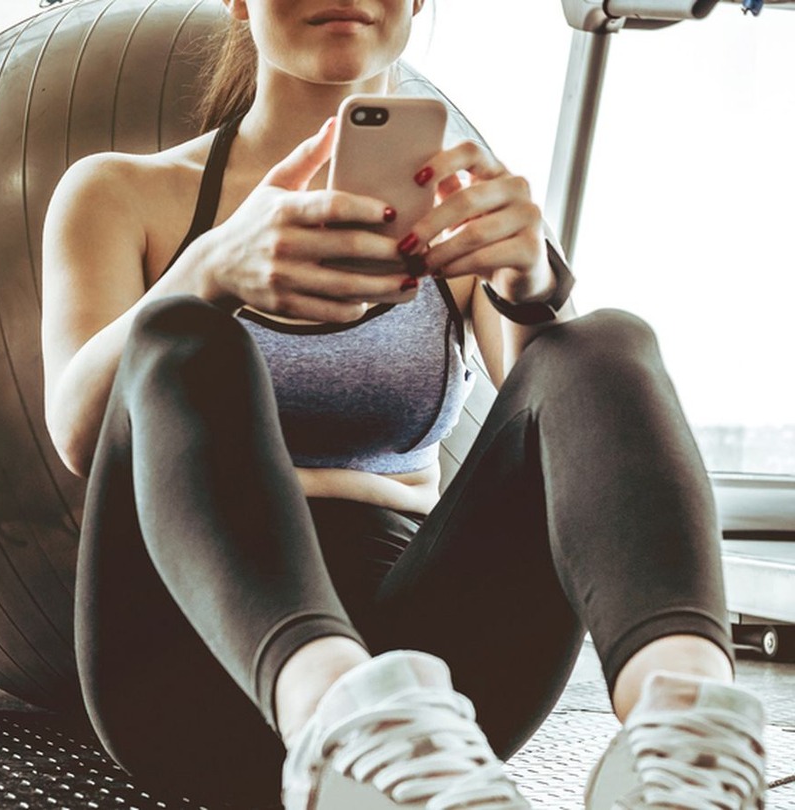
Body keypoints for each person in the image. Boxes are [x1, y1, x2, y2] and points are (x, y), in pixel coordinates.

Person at [41, 1, 768, 808]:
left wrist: (529, 282)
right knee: (180, 335)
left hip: (438, 693)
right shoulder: (120, 193)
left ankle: (689, 736)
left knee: (603, 340)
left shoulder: (456, 216)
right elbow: (78, 431)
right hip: (187, 665)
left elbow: (564, 414)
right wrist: (209, 269)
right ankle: (337, 715)